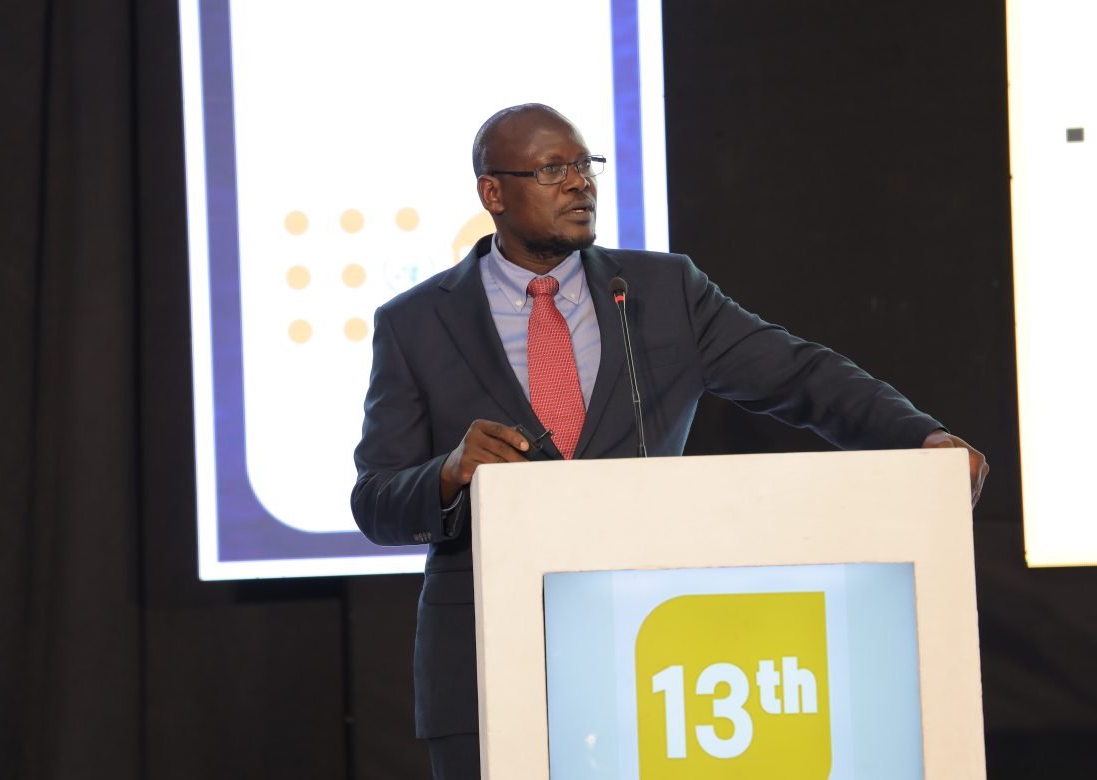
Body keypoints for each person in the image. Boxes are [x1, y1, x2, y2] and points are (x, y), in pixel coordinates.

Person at [351, 103, 987, 778]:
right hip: (484, 663)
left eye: (585, 165)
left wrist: (919, 436)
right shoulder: (416, 323)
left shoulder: (661, 292)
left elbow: (800, 374)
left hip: (651, 654)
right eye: (553, 170)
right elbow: (375, 499)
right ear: (493, 193)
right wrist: (447, 474)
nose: (580, 183)